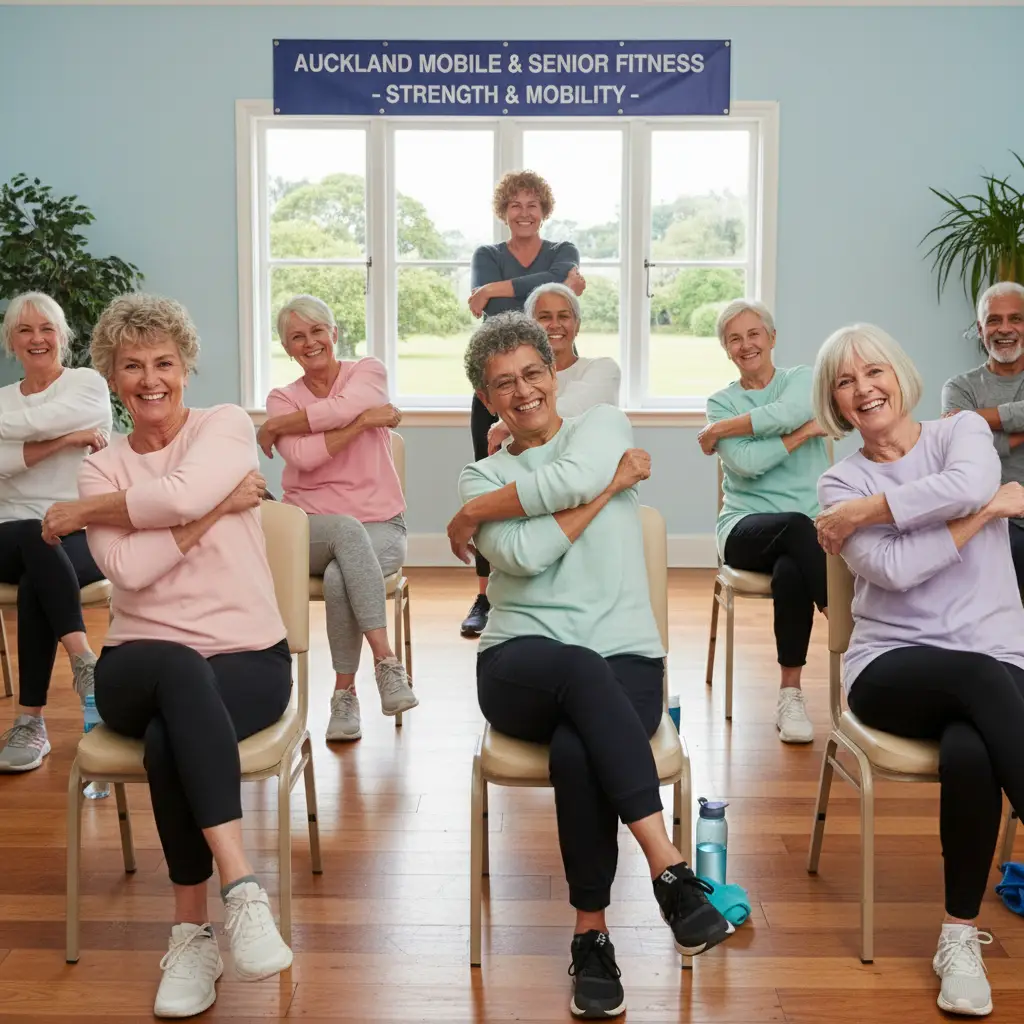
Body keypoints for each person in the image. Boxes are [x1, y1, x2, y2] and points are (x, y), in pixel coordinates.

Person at [447, 312, 733, 1021]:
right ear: (488, 399)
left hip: (628, 659)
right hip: (518, 662)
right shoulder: (478, 470)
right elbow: (524, 556)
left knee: (580, 751)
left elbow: (570, 478)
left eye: (533, 374)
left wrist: (487, 511)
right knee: (575, 669)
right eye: (502, 384)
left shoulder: (601, 425)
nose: (522, 392)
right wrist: (605, 491)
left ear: (554, 375)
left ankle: (592, 937)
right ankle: (670, 869)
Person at [41, 294, 293, 1019]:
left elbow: (180, 491)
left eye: (164, 363)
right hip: (138, 661)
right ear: (113, 377)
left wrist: (94, 513)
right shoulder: (101, 466)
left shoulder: (222, 427)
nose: (151, 379)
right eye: (132, 366)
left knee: (166, 739)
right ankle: (243, 887)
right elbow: (131, 573)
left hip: (249, 655)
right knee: (178, 669)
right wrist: (210, 511)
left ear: (185, 367)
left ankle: (192, 932)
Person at [813, 322, 1024, 1019]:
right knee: (979, 685)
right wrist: (984, 510)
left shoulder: (959, 429)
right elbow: (897, 572)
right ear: (836, 401)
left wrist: (877, 510)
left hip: (994, 654)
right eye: (845, 382)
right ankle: (958, 939)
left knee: (971, 747)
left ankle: (957, 937)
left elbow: (975, 480)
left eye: (872, 372)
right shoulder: (836, 478)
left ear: (900, 374)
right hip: (891, 665)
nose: (863, 389)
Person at [258, 295, 418, 743]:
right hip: (310, 528)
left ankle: (343, 695)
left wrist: (291, 423)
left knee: (336, 577)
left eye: (316, 332)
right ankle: (387, 661)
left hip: (382, 524)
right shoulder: (280, 397)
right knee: (344, 532)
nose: (309, 343)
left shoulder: (368, 370)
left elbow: (344, 412)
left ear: (334, 333)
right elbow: (306, 458)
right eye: (296, 337)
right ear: (288, 349)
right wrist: (361, 421)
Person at [462, 170, 586, 639]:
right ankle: (484, 595)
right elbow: (494, 317)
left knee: (551, 476)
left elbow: (550, 287)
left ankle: (548, 582)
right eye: (515, 205)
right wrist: (549, 285)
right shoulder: (485, 255)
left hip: (543, 382)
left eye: (533, 204)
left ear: (545, 210)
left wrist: (494, 289)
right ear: (503, 211)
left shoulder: (563, 252)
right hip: (495, 385)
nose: (524, 213)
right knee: (491, 488)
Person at [699, 299, 829, 742]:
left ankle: (789, 694)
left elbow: (789, 411)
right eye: (734, 338)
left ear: (771, 338)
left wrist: (722, 430)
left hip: (804, 538)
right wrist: (805, 433)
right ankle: (857, 630)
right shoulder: (719, 401)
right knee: (796, 527)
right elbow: (748, 464)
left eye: (754, 334)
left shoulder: (803, 379)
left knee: (793, 569)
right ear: (726, 350)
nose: (746, 344)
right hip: (743, 529)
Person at [0, 292, 111, 773]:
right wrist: (65, 441)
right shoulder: (3, 399)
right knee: (31, 533)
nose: (37, 338)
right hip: (9, 533)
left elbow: (40, 424)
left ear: (63, 336)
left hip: (79, 532)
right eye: (24, 330)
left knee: (36, 574)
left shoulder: (87, 385)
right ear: (11, 342)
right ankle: (84, 659)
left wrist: (29, 439)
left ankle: (30, 722)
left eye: (46, 328)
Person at [941, 281, 1024, 589]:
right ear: (980, 329)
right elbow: (962, 449)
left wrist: (974, 419)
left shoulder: (967, 403)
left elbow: (965, 429)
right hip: (990, 519)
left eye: (1015, 318)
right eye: (994, 320)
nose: (1005, 329)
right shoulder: (959, 388)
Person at [485, 282, 621, 454]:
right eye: (545, 317)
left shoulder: (604, 369)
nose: (555, 324)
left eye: (563, 316)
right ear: (529, 327)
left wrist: (511, 425)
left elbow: (575, 408)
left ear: (577, 325)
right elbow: (514, 447)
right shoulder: (515, 378)